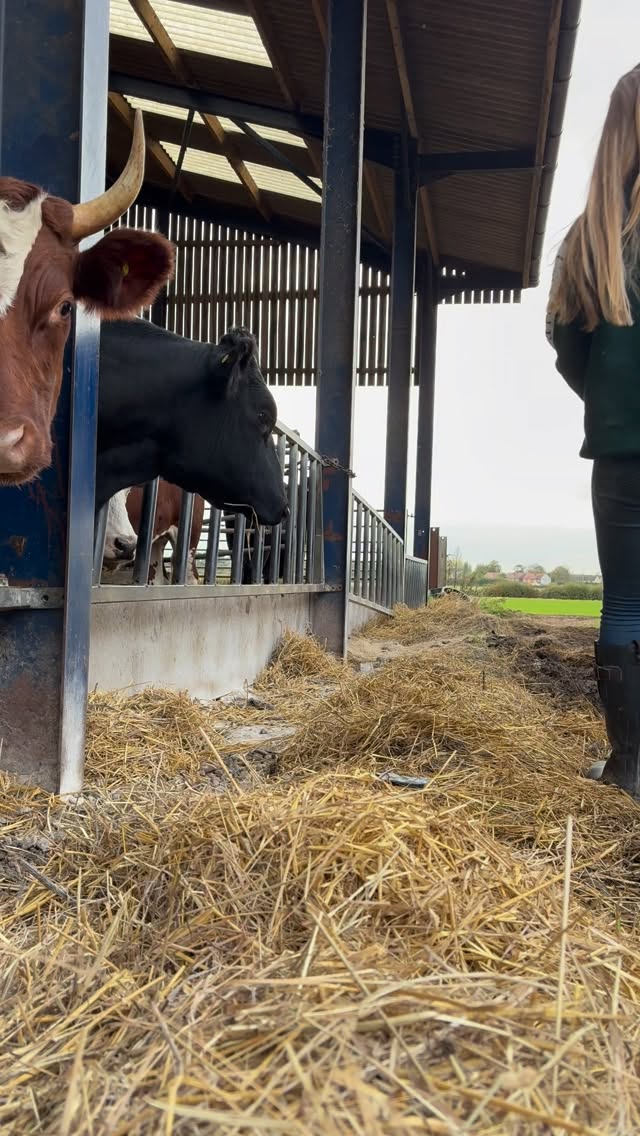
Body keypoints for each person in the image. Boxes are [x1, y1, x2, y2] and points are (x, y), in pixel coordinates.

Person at [546, 63, 640, 801]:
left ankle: (631, 767)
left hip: (621, 451)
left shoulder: (587, 241)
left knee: (626, 604)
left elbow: (567, 351)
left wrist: (614, 401)